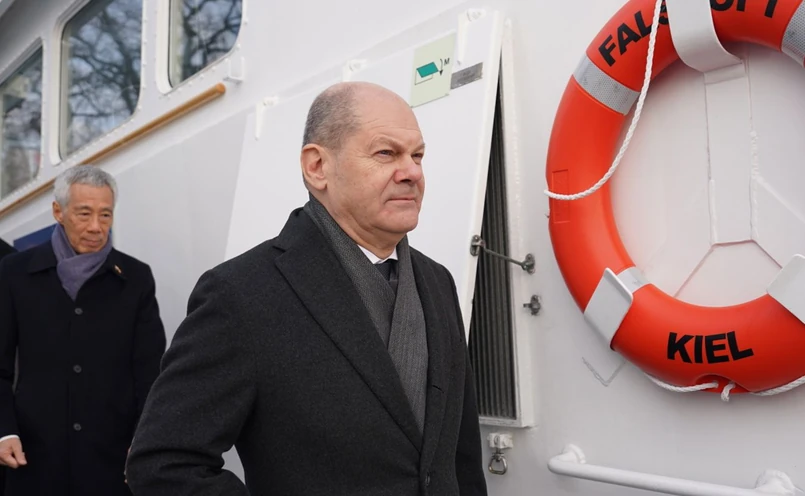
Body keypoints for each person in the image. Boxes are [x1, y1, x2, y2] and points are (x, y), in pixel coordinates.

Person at [125, 82, 488, 495]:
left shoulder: (437, 282)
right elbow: (164, 464)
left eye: (417, 156)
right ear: (317, 167)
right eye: (386, 153)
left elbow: (460, 457)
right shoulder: (241, 294)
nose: (412, 173)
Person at [0, 165, 167, 496]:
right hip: (33, 458)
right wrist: (5, 431)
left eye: (105, 215)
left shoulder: (136, 278)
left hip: (111, 462)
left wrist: (144, 439)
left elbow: (150, 372)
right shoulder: (14, 272)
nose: (96, 227)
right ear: (58, 212)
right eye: (84, 213)